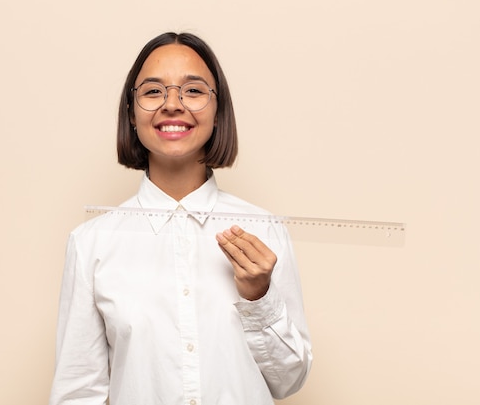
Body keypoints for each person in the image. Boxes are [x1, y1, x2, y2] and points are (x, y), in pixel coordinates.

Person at [49, 32, 312, 405]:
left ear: (219, 112)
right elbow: (78, 393)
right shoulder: (91, 243)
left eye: (193, 91)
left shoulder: (265, 232)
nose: (172, 105)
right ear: (132, 112)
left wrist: (259, 299)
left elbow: (290, 380)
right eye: (154, 91)